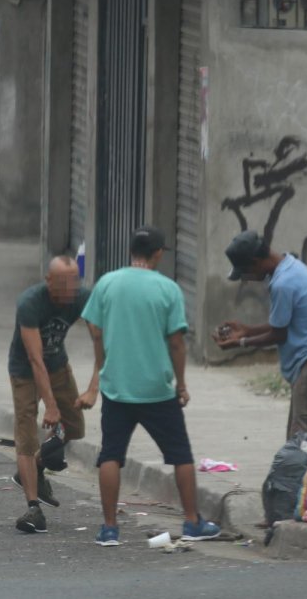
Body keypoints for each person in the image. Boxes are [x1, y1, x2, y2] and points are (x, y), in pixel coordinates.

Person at [77, 226, 221, 547]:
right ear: (157, 253)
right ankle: (192, 522)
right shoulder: (167, 289)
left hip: (117, 388)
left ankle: (110, 528)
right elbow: (177, 344)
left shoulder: (107, 283)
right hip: (157, 388)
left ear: (131, 251)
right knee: (180, 455)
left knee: (111, 455)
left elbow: (94, 327)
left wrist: (100, 370)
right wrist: (181, 384)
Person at [213, 230, 307, 441]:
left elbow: (278, 335)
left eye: (245, 272)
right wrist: (246, 329)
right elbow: (282, 325)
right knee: (303, 443)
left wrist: (241, 341)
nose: (247, 279)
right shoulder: (292, 266)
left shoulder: (283, 283)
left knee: (305, 447)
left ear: (256, 262)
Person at [7, 256, 90, 534]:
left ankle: (37, 466)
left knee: (76, 427)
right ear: (48, 281)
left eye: (73, 284)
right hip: (25, 370)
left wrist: (94, 386)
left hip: (57, 365)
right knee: (27, 435)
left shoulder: (81, 298)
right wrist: (51, 406)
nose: (69, 291)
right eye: (62, 285)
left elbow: (101, 336)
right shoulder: (30, 302)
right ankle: (33, 508)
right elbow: (34, 358)